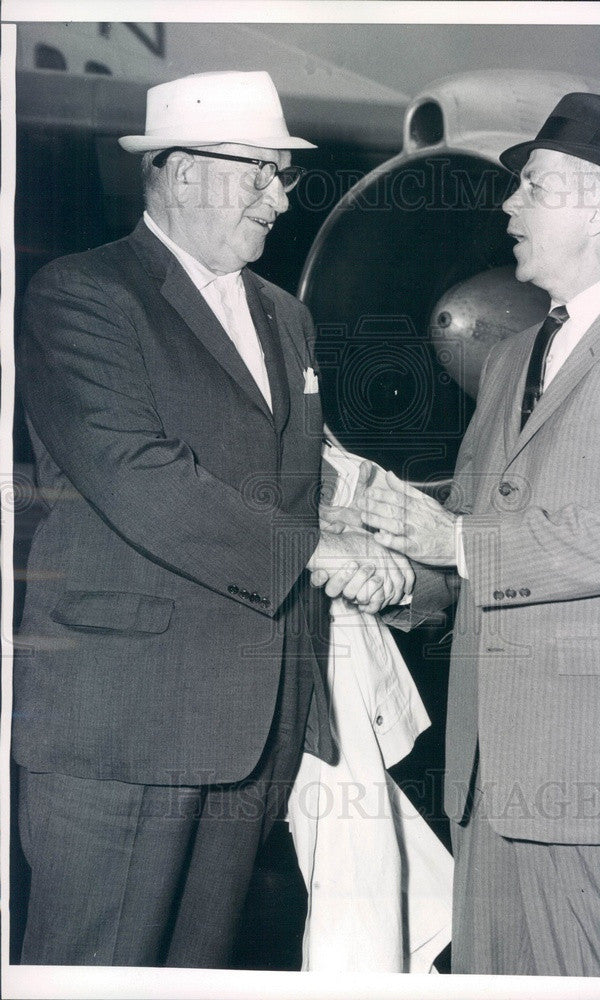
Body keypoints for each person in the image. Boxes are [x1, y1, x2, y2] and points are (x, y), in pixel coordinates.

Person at [13, 70, 410, 968]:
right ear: (182, 171)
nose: (278, 199)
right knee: (98, 969)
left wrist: (393, 545)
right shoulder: (82, 297)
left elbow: (298, 477)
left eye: (284, 177)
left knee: (199, 971)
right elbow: (143, 477)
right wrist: (314, 549)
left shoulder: (286, 318)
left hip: (254, 735)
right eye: (258, 173)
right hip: (123, 727)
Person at [353, 92, 600, 977]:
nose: (507, 207)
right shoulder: (506, 361)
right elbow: (476, 549)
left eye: (530, 187)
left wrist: (454, 544)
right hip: (484, 783)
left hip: (597, 781)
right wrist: (398, 579)